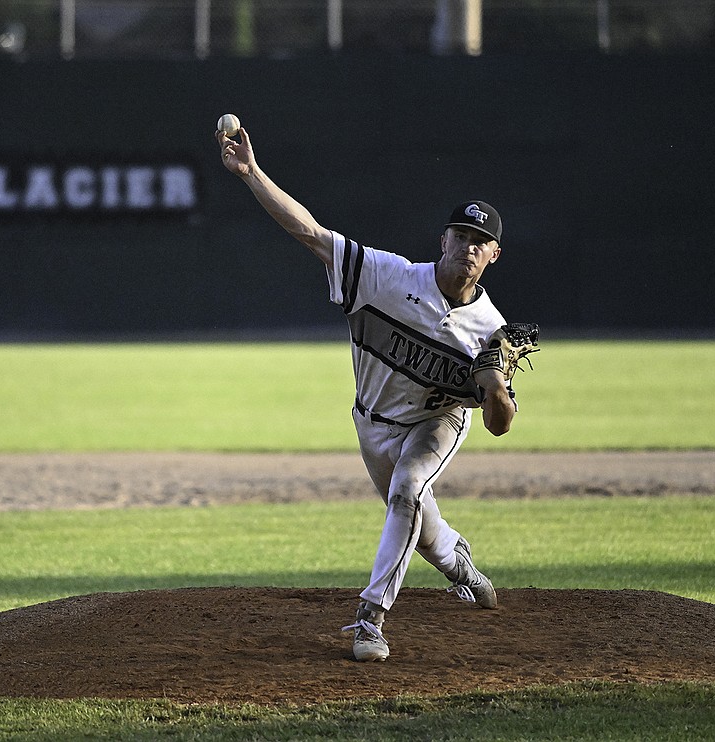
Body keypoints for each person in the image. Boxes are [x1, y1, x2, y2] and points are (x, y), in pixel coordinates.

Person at [217, 125, 516, 662]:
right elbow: (310, 232)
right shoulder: (385, 277)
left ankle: (370, 619)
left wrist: (495, 387)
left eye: (481, 243)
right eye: (461, 237)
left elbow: (499, 423)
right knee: (418, 528)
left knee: (407, 490)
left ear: (493, 256)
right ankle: (455, 560)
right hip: (371, 423)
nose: (469, 248)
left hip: (436, 423)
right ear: (443, 240)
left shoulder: (491, 331)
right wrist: (252, 175)